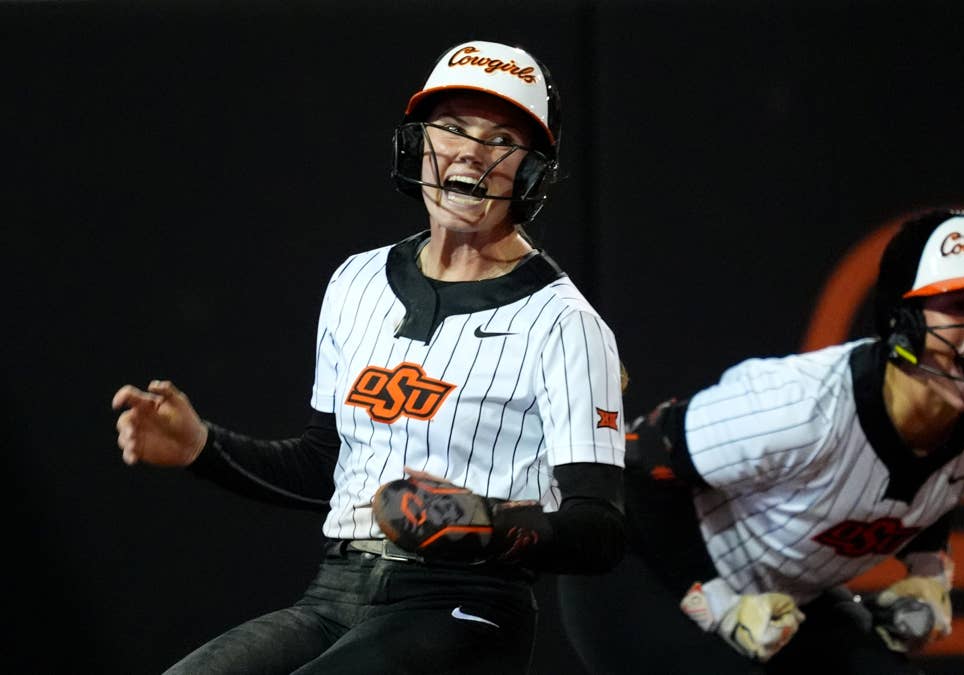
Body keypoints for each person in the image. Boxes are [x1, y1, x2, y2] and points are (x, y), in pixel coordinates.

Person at [111, 40, 627, 675]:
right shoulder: (356, 282)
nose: (470, 151)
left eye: (501, 139)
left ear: (532, 170)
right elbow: (322, 464)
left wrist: (486, 525)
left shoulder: (566, 324)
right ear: (419, 143)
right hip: (335, 594)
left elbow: (599, 528)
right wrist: (203, 449)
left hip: (467, 605)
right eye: (453, 128)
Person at [558, 208, 964, 674]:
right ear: (902, 318)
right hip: (641, 569)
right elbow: (632, 470)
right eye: (959, 307)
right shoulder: (802, 408)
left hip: (782, 595)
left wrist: (927, 572)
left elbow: (936, 483)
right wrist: (718, 603)